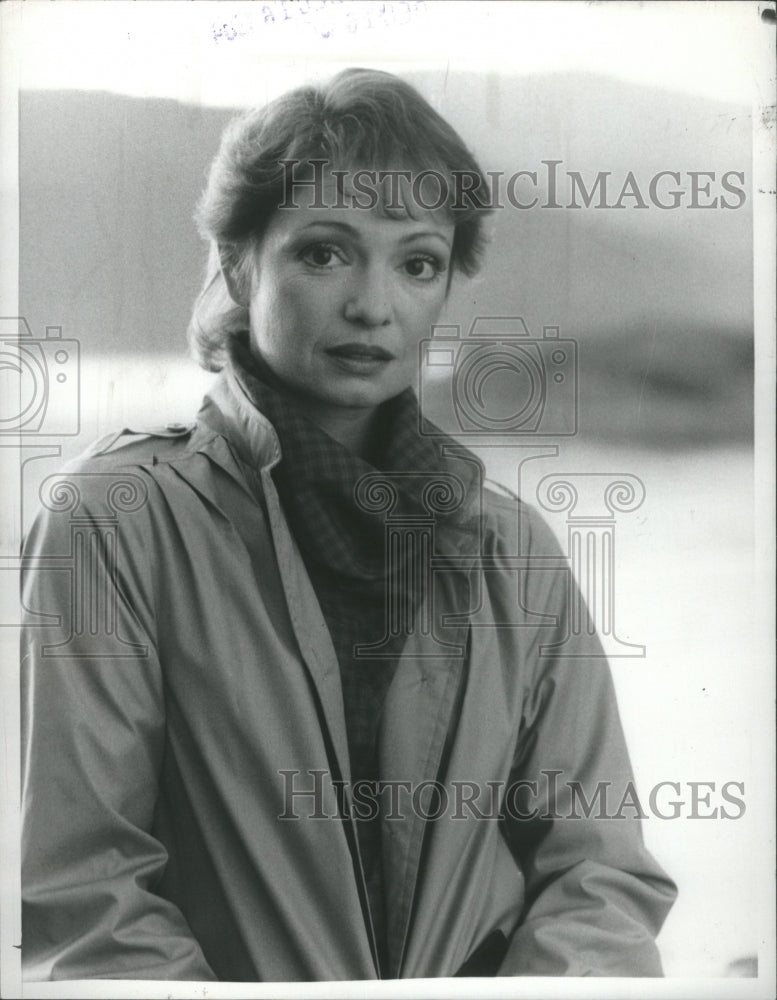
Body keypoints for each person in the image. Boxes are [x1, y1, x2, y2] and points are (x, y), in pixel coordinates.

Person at [20, 68, 676, 982]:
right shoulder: (114, 523)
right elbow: (87, 894)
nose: (374, 305)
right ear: (242, 260)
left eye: (417, 262)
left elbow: (597, 870)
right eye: (325, 253)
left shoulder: (513, 548)